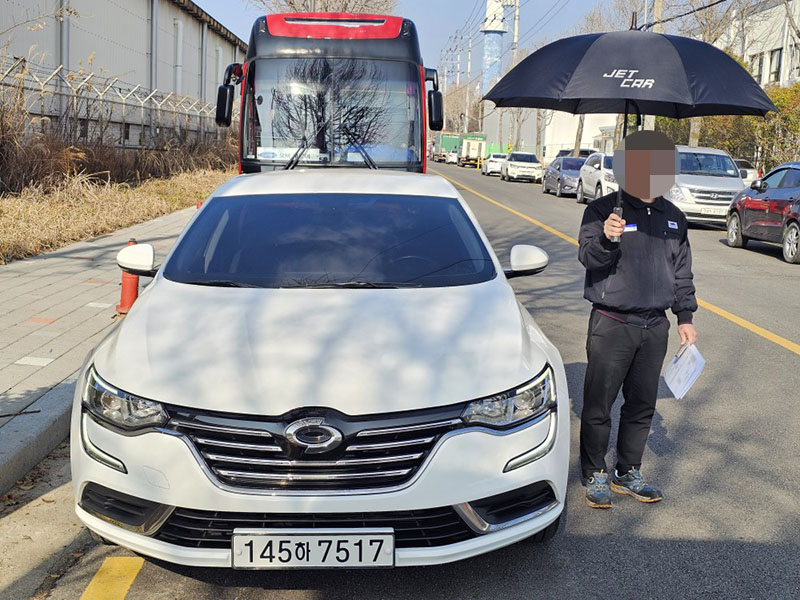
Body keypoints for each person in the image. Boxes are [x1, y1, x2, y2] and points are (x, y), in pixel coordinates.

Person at [577, 130, 698, 509]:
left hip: (655, 326)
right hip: (611, 322)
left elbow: (682, 272)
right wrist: (607, 239)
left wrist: (685, 316)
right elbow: (588, 258)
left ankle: (627, 471)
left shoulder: (674, 218)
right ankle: (594, 471)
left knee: (642, 404)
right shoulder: (603, 210)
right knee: (599, 403)